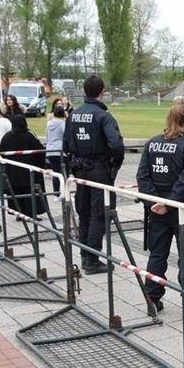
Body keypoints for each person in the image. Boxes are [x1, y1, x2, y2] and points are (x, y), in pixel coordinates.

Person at [136, 104, 184, 319]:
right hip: (182, 208)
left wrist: (154, 202)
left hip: (157, 209)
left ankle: (152, 297)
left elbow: (142, 176)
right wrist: (168, 202)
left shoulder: (152, 143)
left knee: (158, 253)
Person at [63, 75, 125, 275]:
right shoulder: (103, 116)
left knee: (85, 213)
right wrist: (115, 164)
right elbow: (116, 144)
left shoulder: (74, 115)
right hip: (99, 169)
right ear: (102, 91)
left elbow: (66, 145)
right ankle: (92, 259)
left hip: (80, 169)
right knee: (99, 214)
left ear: (84, 91)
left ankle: (85, 254)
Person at [0, 114, 47, 218]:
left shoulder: (7, 136)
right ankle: (31, 214)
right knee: (30, 193)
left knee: (16, 192)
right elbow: (39, 151)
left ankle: (19, 213)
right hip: (29, 170)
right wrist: (41, 164)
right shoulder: (29, 135)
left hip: (13, 170)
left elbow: (1, 152)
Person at [45, 103, 66, 200]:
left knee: (55, 173)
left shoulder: (49, 123)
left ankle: (56, 194)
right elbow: (65, 136)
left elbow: (47, 136)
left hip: (50, 150)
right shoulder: (62, 123)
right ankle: (64, 193)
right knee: (64, 173)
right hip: (60, 150)